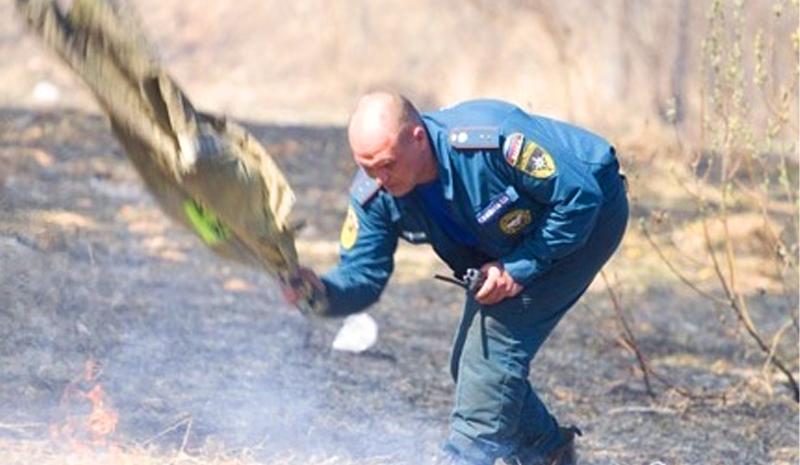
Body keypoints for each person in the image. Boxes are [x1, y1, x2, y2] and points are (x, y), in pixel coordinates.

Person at [284, 91, 629, 465]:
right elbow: (362, 273)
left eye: (387, 165)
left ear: (418, 138)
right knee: (469, 368)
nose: (379, 179)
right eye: (367, 168)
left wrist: (518, 267)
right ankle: (549, 451)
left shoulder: (489, 141)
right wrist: (320, 292)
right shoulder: (374, 193)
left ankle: (466, 456)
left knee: (493, 348)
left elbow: (579, 195)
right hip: (510, 243)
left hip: (587, 211)